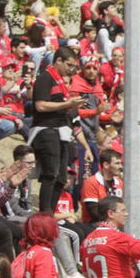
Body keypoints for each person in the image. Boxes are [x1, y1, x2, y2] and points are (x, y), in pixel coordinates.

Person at [30, 46, 90, 213]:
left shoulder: (60, 81)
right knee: (51, 174)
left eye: (73, 66)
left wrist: (73, 105)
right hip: (46, 130)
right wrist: (68, 104)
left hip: (62, 131)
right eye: (69, 65)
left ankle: (50, 213)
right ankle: (45, 212)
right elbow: (41, 106)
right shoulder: (45, 78)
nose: (71, 70)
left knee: (62, 178)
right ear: (58, 61)